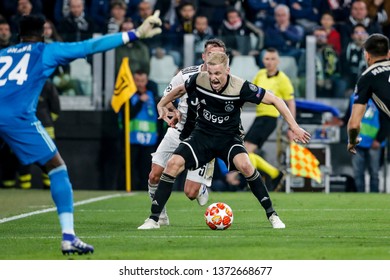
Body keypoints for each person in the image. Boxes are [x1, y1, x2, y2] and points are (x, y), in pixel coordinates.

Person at [0, 13, 161, 254]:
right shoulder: (45, 51)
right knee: (57, 168)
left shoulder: (3, 55)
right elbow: (90, 46)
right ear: (43, 32)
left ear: (18, 34)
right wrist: (135, 34)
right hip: (17, 117)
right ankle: (68, 237)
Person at [138, 51, 311, 230]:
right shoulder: (200, 79)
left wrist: (294, 126)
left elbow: (276, 100)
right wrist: (161, 104)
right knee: (173, 164)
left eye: (218, 74)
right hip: (202, 136)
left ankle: (272, 215)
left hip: (228, 138)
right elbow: (180, 89)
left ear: (227, 70)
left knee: (246, 166)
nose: (213, 78)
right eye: (211, 73)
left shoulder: (240, 86)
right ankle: (154, 219)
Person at [145, 38, 227, 226]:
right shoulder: (185, 75)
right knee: (154, 174)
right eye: (210, 55)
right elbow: (167, 97)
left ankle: (201, 188)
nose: (214, 59)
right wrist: (168, 109)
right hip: (178, 130)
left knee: (190, 193)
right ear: (203, 56)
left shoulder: (226, 81)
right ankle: (160, 213)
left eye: (219, 56)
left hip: (203, 137)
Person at [244, 48, 296, 190]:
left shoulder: (283, 79)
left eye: (273, 59)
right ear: (263, 61)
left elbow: (290, 102)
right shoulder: (260, 74)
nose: (270, 62)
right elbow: (251, 93)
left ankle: (265, 178)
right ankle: (272, 175)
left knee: (247, 151)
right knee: (246, 151)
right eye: (267, 59)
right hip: (259, 116)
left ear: (278, 61)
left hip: (270, 118)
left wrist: (292, 126)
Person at [348, 33, 390, 154]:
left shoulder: (367, 77)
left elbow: (355, 123)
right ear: (389, 53)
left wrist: (352, 141)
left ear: (366, 55)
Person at [341, 94, 387, 192]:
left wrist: (379, 139)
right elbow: (348, 117)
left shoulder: (381, 96)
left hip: (374, 143)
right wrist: (337, 122)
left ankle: (374, 197)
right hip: (357, 142)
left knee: (374, 172)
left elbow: (386, 120)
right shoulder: (354, 98)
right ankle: (359, 196)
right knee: (357, 172)